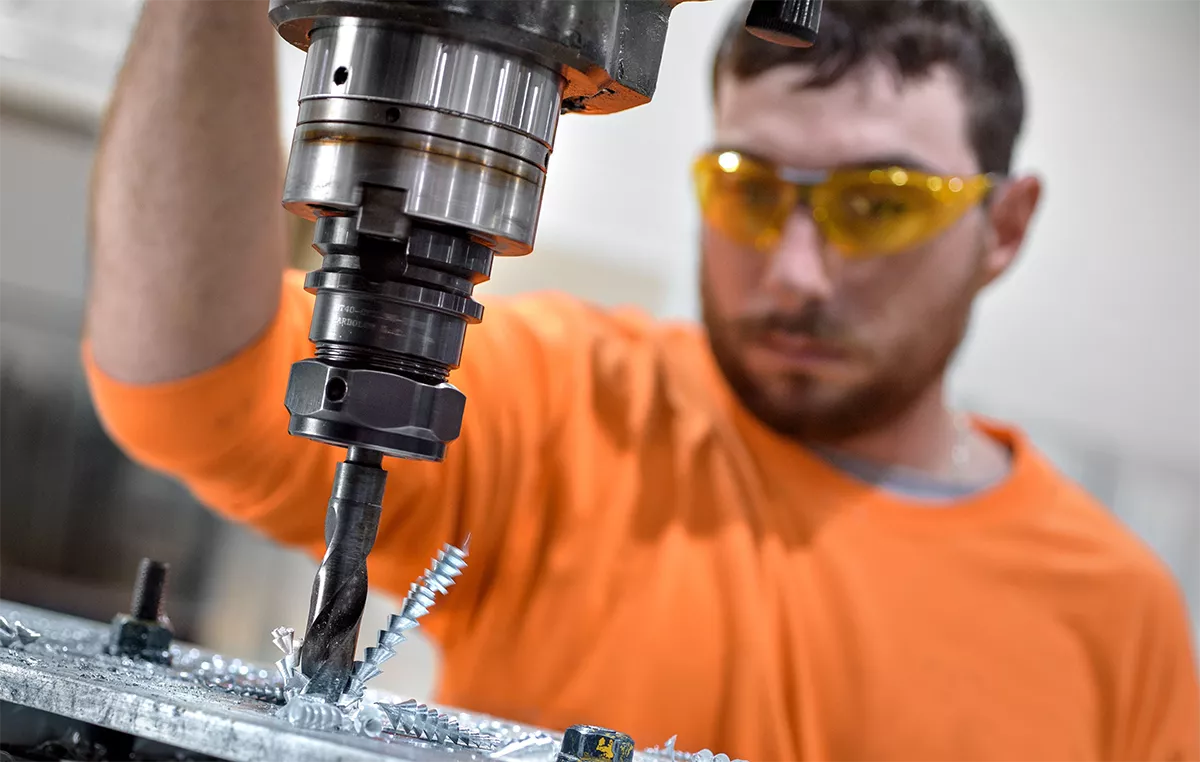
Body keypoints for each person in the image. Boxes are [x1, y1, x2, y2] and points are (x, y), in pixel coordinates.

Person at [84, 0, 1200, 760]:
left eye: (881, 203)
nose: (798, 270)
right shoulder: (582, 407)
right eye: (749, 191)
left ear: (1003, 226)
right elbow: (187, 379)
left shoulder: (1117, 616)